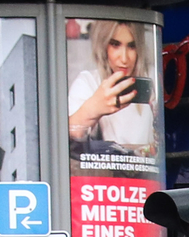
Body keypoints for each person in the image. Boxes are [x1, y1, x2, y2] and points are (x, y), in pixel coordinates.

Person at [66, 20, 155, 153]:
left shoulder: (151, 81)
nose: (124, 58)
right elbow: (71, 137)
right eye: (115, 45)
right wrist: (93, 110)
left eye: (132, 46)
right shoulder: (87, 82)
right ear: (103, 46)